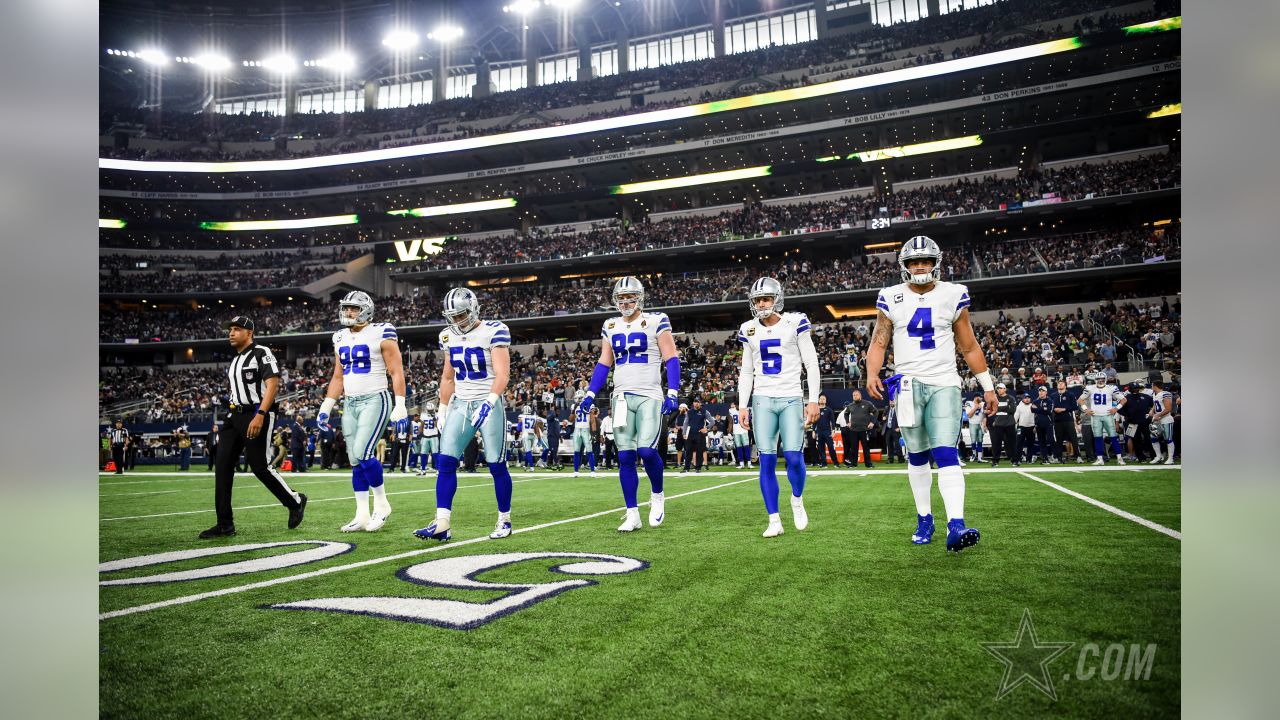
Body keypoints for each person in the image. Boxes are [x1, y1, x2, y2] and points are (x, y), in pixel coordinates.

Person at [865, 236, 995, 552]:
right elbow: (879, 341)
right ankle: (925, 519)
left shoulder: (953, 294)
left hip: (944, 382)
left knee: (946, 451)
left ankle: (956, 524)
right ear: (904, 266)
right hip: (908, 383)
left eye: (923, 261)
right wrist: (872, 373)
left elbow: (968, 345)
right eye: (912, 262)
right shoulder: (891, 296)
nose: (918, 266)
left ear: (935, 262)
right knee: (919, 455)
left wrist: (988, 386)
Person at [580, 276, 680, 532]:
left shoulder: (657, 320)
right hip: (622, 395)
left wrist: (673, 392)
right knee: (624, 456)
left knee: (646, 451)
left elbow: (671, 357)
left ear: (640, 297)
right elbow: (604, 363)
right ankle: (632, 513)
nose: (626, 302)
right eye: (621, 298)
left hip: (650, 394)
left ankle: (657, 495)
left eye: (630, 297)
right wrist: (591, 393)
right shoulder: (610, 324)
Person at [414, 287, 514, 542]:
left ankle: (504, 519)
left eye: (462, 314)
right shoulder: (447, 336)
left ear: (474, 308)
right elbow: (448, 376)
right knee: (445, 462)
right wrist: (444, 408)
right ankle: (442, 523)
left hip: (487, 401)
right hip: (461, 401)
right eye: (453, 316)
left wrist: (490, 402)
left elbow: (502, 374)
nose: (458, 320)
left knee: (496, 464)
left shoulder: (494, 330)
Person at [201, 316, 307, 539]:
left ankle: (295, 501)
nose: (231, 333)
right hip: (234, 415)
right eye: (230, 329)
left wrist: (260, 414)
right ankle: (225, 523)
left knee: (260, 467)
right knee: (222, 467)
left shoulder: (261, 352)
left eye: (236, 329)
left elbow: (273, 383)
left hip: (256, 413)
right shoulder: (236, 360)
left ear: (249, 332)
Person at [316, 291, 408, 533]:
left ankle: (382, 504)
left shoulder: (382, 331)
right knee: (355, 460)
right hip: (351, 402)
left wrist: (400, 405)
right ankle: (362, 514)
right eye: (346, 308)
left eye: (354, 308)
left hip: (375, 399)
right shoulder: (339, 337)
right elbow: (338, 376)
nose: (348, 312)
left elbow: (396, 371)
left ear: (365, 309)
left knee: (364, 453)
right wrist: (326, 406)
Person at [736, 277, 820, 538]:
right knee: (767, 461)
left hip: (791, 396)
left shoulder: (794, 322)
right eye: (758, 300)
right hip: (762, 399)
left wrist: (813, 399)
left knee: (794, 457)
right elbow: (746, 370)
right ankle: (774, 519)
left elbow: (812, 363)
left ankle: (796, 498)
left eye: (766, 299)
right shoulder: (749, 328)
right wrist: (742, 405)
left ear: (777, 299)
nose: (762, 304)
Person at [1084, 372, 1127, 465]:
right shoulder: (1090, 388)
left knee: (1113, 437)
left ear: (1105, 379)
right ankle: (1100, 459)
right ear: (1095, 380)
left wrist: (1116, 408)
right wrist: (1086, 409)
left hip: (1107, 415)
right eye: (1098, 379)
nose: (1100, 381)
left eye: (1102, 379)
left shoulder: (1111, 388)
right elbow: (1080, 400)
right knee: (1097, 438)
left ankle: (1119, 458)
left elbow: (1124, 399)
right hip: (1095, 416)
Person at [842, 389, 878, 468]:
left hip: (864, 430)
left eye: (856, 395)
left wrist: (872, 422)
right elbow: (846, 414)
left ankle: (868, 464)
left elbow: (875, 412)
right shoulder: (850, 405)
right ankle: (854, 464)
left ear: (860, 395)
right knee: (854, 448)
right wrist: (847, 422)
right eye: (853, 395)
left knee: (866, 448)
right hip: (853, 430)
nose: (854, 396)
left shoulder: (867, 403)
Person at [1051, 380, 1083, 463]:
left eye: (1062, 383)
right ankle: (1059, 458)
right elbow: (1050, 407)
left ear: (1065, 386)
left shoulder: (1070, 395)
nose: (1060, 384)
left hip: (1068, 420)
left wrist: (1064, 409)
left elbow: (1075, 406)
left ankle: (1078, 457)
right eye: (1059, 383)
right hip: (1057, 421)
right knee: (1059, 440)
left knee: (1073, 439)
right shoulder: (1053, 395)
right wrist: (1054, 409)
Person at [1149, 379, 1177, 464]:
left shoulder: (1166, 394)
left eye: (1152, 386)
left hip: (1166, 420)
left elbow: (1168, 409)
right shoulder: (1155, 394)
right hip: (1158, 420)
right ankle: (1158, 456)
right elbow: (1156, 403)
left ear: (1155, 386)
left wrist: (1158, 415)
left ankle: (1170, 458)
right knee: (1153, 438)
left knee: (1168, 439)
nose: (1151, 387)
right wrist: (1152, 410)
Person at [1032, 386, 1060, 463]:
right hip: (1038, 424)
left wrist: (1038, 409)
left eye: (1043, 391)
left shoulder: (1050, 400)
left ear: (1046, 392)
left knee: (1051, 440)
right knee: (1041, 442)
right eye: (1040, 391)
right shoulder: (1035, 401)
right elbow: (1032, 410)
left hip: (1048, 423)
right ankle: (1045, 458)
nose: (1041, 392)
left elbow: (1049, 411)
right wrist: (1043, 409)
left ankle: (1056, 457)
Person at [682, 396, 710, 474]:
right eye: (695, 402)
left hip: (700, 434)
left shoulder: (704, 411)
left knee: (699, 451)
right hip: (690, 433)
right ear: (693, 403)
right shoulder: (689, 412)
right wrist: (684, 433)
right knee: (688, 451)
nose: (696, 403)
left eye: (698, 402)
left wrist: (706, 428)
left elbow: (712, 422)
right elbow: (685, 423)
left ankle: (698, 468)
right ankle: (686, 468)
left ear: (700, 403)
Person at [571, 402, 598, 477]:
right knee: (576, 450)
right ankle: (576, 471)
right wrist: (573, 410)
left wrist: (594, 433)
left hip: (586, 429)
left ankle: (592, 471)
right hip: (577, 429)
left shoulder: (590, 405)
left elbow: (592, 420)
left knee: (589, 450)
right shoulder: (574, 405)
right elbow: (571, 419)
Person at [814, 395, 838, 467]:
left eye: (823, 399)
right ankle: (824, 464)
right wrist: (813, 431)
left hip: (827, 432)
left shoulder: (829, 410)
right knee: (821, 449)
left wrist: (833, 430)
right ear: (818, 400)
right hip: (819, 432)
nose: (822, 400)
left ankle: (836, 463)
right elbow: (814, 421)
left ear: (826, 401)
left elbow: (832, 421)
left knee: (831, 447)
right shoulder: (816, 410)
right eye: (821, 399)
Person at [729, 401, 753, 468]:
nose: (737, 406)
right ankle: (741, 463)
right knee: (739, 448)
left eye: (738, 405)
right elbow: (730, 422)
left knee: (746, 447)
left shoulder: (745, 410)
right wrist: (729, 432)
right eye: (736, 405)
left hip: (744, 431)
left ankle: (749, 463)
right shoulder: (731, 411)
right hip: (736, 432)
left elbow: (749, 421)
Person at [517, 405, 540, 472]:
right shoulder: (534, 417)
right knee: (529, 451)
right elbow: (536, 428)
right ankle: (526, 466)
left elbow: (518, 429)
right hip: (532, 435)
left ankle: (532, 467)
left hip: (525, 435)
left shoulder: (521, 417)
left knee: (528, 451)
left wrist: (520, 428)